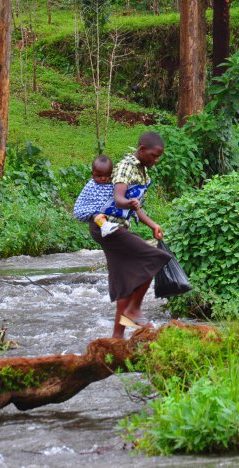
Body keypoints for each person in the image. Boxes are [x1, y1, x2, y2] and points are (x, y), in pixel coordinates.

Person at [88, 132, 171, 338]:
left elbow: (136, 208)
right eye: (153, 155)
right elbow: (118, 199)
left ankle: (117, 338)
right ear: (142, 150)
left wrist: (152, 224)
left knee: (124, 281)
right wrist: (128, 203)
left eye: (158, 156)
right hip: (106, 226)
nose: (156, 160)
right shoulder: (126, 166)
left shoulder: (144, 173)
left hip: (117, 228)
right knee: (156, 257)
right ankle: (133, 310)